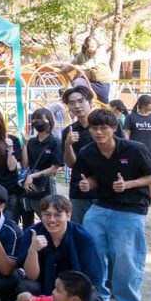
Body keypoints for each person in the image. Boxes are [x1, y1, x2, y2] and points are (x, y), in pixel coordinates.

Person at [73, 109, 151, 301]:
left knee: (125, 256)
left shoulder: (134, 149)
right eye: (94, 128)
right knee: (93, 251)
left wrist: (128, 184)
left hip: (131, 207)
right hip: (102, 205)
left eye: (104, 128)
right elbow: (92, 177)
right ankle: (99, 297)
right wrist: (88, 184)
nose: (99, 132)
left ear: (113, 128)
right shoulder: (87, 151)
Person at [15, 195, 104, 301]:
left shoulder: (83, 238)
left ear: (68, 215)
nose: (52, 220)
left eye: (57, 215)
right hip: (42, 286)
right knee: (25, 287)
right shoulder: (31, 234)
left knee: (93, 300)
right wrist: (32, 251)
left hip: (74, 288)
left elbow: (92, 278)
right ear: (41, 215)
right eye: (47, 214)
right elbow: (31, 276)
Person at [60, 85, 99, 222]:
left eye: (81, 101)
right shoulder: (69, 131)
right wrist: (68, 144)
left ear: (89, 101)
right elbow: (71, 164)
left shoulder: (104, 125)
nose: (77, 106)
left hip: (104, 188)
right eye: (72, 103)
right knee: (79, 228)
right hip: (79, 188)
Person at [19, 108, 62, 227]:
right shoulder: (31, 141)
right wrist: (25, 145)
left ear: (49, 121)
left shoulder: (55, 142)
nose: (38, 122)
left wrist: (33, 176)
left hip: (45, 185)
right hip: (29, 186)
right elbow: (25, 165)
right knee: (27, 222)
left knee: (48, 219)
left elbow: (55, 168)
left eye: (42, 119)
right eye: (35, 119)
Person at [125, 94, 151, 163]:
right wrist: (126, 148)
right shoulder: (130, 117)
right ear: (143, 105)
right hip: (135, 152)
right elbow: (127, 133)